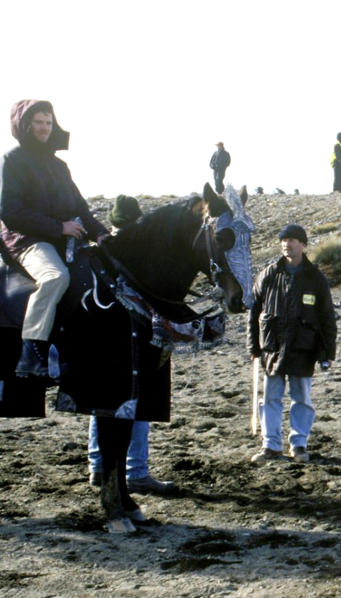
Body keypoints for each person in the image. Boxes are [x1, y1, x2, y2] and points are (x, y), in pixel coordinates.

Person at [0, 99, 110, 380]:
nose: (44, 128)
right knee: (55, 277)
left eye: (48, 122)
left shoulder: (59, 166)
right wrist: (58, 227)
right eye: (38, 122)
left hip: (60, 238)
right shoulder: (12, 160)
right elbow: (10, 211)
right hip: (25, 241)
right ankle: (31, 351)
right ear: (25, 125)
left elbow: (81, 210)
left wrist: (103, 235)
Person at [87, 195, 175, 494]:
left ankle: (99, 466)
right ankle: (134, 470)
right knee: (135, 403)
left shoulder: (98, 254)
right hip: (131, 339)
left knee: (103, 403)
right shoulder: (139, 256)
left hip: (104, 340)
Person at [247, 224, 336, 463]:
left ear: (303, 245)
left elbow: (327, 316)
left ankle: (299, 445)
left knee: (302, 399)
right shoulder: (268, 274)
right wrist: (253, 348)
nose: (288, 244)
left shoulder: (316, 278)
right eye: (284, 240)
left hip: (303, 348)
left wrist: (328, 352)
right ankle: (271, 446)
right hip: (272, 348)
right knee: (270, 399)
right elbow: (254, 311)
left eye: (293, 240)